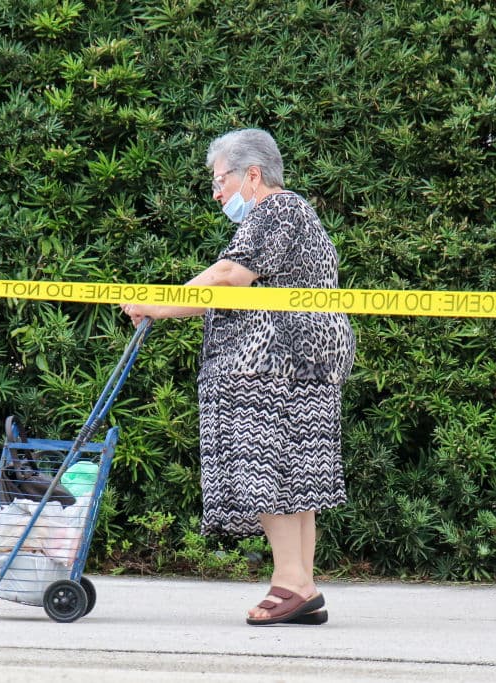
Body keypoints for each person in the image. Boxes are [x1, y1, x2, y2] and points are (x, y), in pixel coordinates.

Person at [121, 128, 355, 626]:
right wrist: (163, 305)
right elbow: (223, 280)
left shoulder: (277, 208)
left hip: (275, 361)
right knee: (296, 476)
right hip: (304, 359)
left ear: (252, 175)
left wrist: (157, 305)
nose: (216, 192)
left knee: (266, 467)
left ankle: (290, 582)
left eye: (219, 179)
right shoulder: (291, 214)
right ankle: (301, 585)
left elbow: (228, 277)